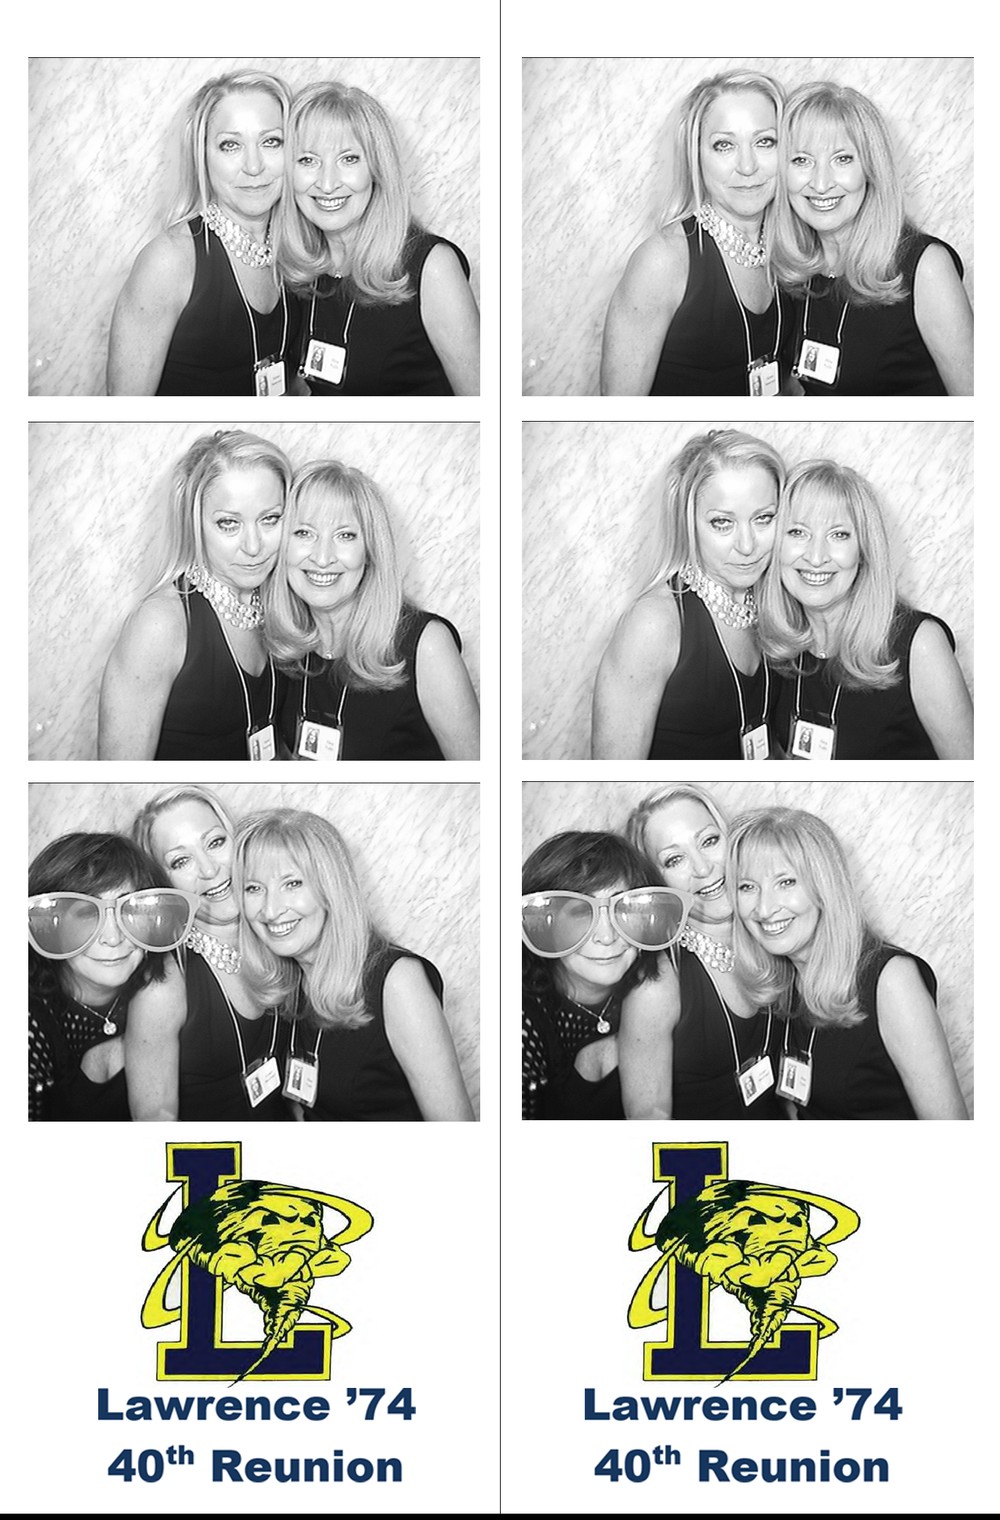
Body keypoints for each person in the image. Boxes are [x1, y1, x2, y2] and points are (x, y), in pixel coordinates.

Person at [235, 809, 474, 1121]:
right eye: (254, 888)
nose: (270, 910)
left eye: (292, 883)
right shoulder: (290, 982)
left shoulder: (399, 982)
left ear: (331, 888)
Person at [730, 807, 968, 1120]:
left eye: (786, 882)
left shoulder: (892, 981)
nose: (764, 908)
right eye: (747, 886)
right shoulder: (785, 981)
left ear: (824, 886)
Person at [264, 458, 480, 760]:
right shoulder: (282, 647)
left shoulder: (427, 645)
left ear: (370, 550)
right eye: (304, 533)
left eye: (345, 535)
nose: (323, 558)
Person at [759, 459, 973, 759]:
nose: (816, 557)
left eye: (838, 534)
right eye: (797, 532)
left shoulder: (920, 644)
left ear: (863, 550)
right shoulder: (776, 645)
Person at [99, 429, 292, 761]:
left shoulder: (281, 603)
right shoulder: (159, 625)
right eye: (229, 523)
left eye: (270, 519)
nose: (253, 546)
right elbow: (118, 776)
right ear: (194, 523)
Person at [276, 81, 479, 396]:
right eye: (308, 160)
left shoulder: (433, 267)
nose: (327, 184)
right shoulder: (296, 269)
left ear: (377, 168)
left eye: (349, 159)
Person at [592, 429, 785, 759]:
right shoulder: (653, 624)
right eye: (722, 523)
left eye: (763, 518)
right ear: (687, 523)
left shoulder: (775, 602)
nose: (747, 545)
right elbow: (612, 776)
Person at [108, 70, 302, 396]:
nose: (254, 166)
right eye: (230, 145)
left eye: (271, 141)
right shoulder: (168, 262)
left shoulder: (300, 250)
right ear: (202, 156)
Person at [772, 82, 973, 396]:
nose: (821, 183)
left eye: (842, 159)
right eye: (801, 160)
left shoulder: (927, 267)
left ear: (871, 168)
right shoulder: (790, 269)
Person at [601, 70, 790, 396]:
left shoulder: (793, 250)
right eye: (724, 145)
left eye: (764, 141)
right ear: (696, 157)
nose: (747, 166)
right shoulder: (662, 262)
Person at [622, 785, 784, 1121]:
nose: (702, 868)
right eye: (674, 859)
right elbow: (648, 1121)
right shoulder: (656, 985)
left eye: (709, 841)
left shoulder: (775, 931)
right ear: (657, 883)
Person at [128, 786, 290, 1121]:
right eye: (181, 861)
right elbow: (155, 1122)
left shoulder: (281, 932)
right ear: (163, 884)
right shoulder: (162, 987)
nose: (209, 869)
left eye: (215, 842)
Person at [28, 832, 195, 1120]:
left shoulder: (162, 981)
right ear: (52, 925)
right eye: (86, 914)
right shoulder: (29, 1024)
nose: (113, 937)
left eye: (129, 910)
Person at [522, 831, 688, 1120]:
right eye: (580, 913)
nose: (607, 936)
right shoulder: (521, 1021)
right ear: (545, 924)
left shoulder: (657, 980)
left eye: (622, 908)